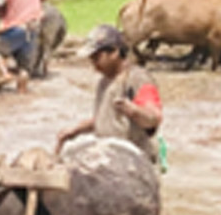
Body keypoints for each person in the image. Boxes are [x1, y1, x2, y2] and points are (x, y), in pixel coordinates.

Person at [57, 24, 162, 165]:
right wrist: (75, 131)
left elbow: (154, 117)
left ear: (114, 52)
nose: (93, 64)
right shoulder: (105, 81)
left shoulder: (137, 79)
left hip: (134, 161)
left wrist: (135, 111)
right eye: (91, 59)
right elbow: (104, 119)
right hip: (109, 156)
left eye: (97, 57)